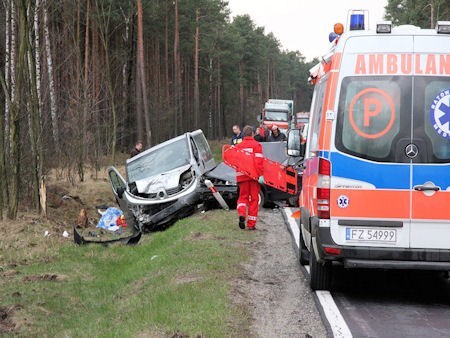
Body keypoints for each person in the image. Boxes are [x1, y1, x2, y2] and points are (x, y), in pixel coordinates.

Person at [235, 125, 264, 230]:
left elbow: (234, 161)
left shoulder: (238, 146)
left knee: (243, 198)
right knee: (254, 199)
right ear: (252, 134)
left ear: (243, 134)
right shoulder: (257, 145)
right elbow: (259, 162)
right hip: (253, 177)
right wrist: (260, 175)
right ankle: (251, 224)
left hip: (242, 176)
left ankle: (242, 214)